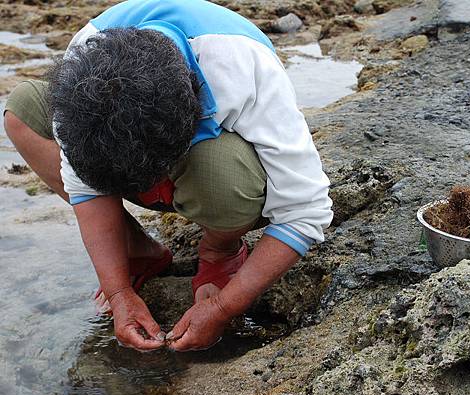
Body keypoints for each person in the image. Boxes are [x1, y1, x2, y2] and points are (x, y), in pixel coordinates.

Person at [3, 0, 332, 352]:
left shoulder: (242, 64)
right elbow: (83, 183)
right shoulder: (85, 62)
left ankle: (220, 250)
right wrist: (118, 293)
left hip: (219, 170)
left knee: (218, 166)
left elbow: (305, 212)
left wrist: (224, 308)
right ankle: (138, 248)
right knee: (23, 107)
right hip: (139, 137)